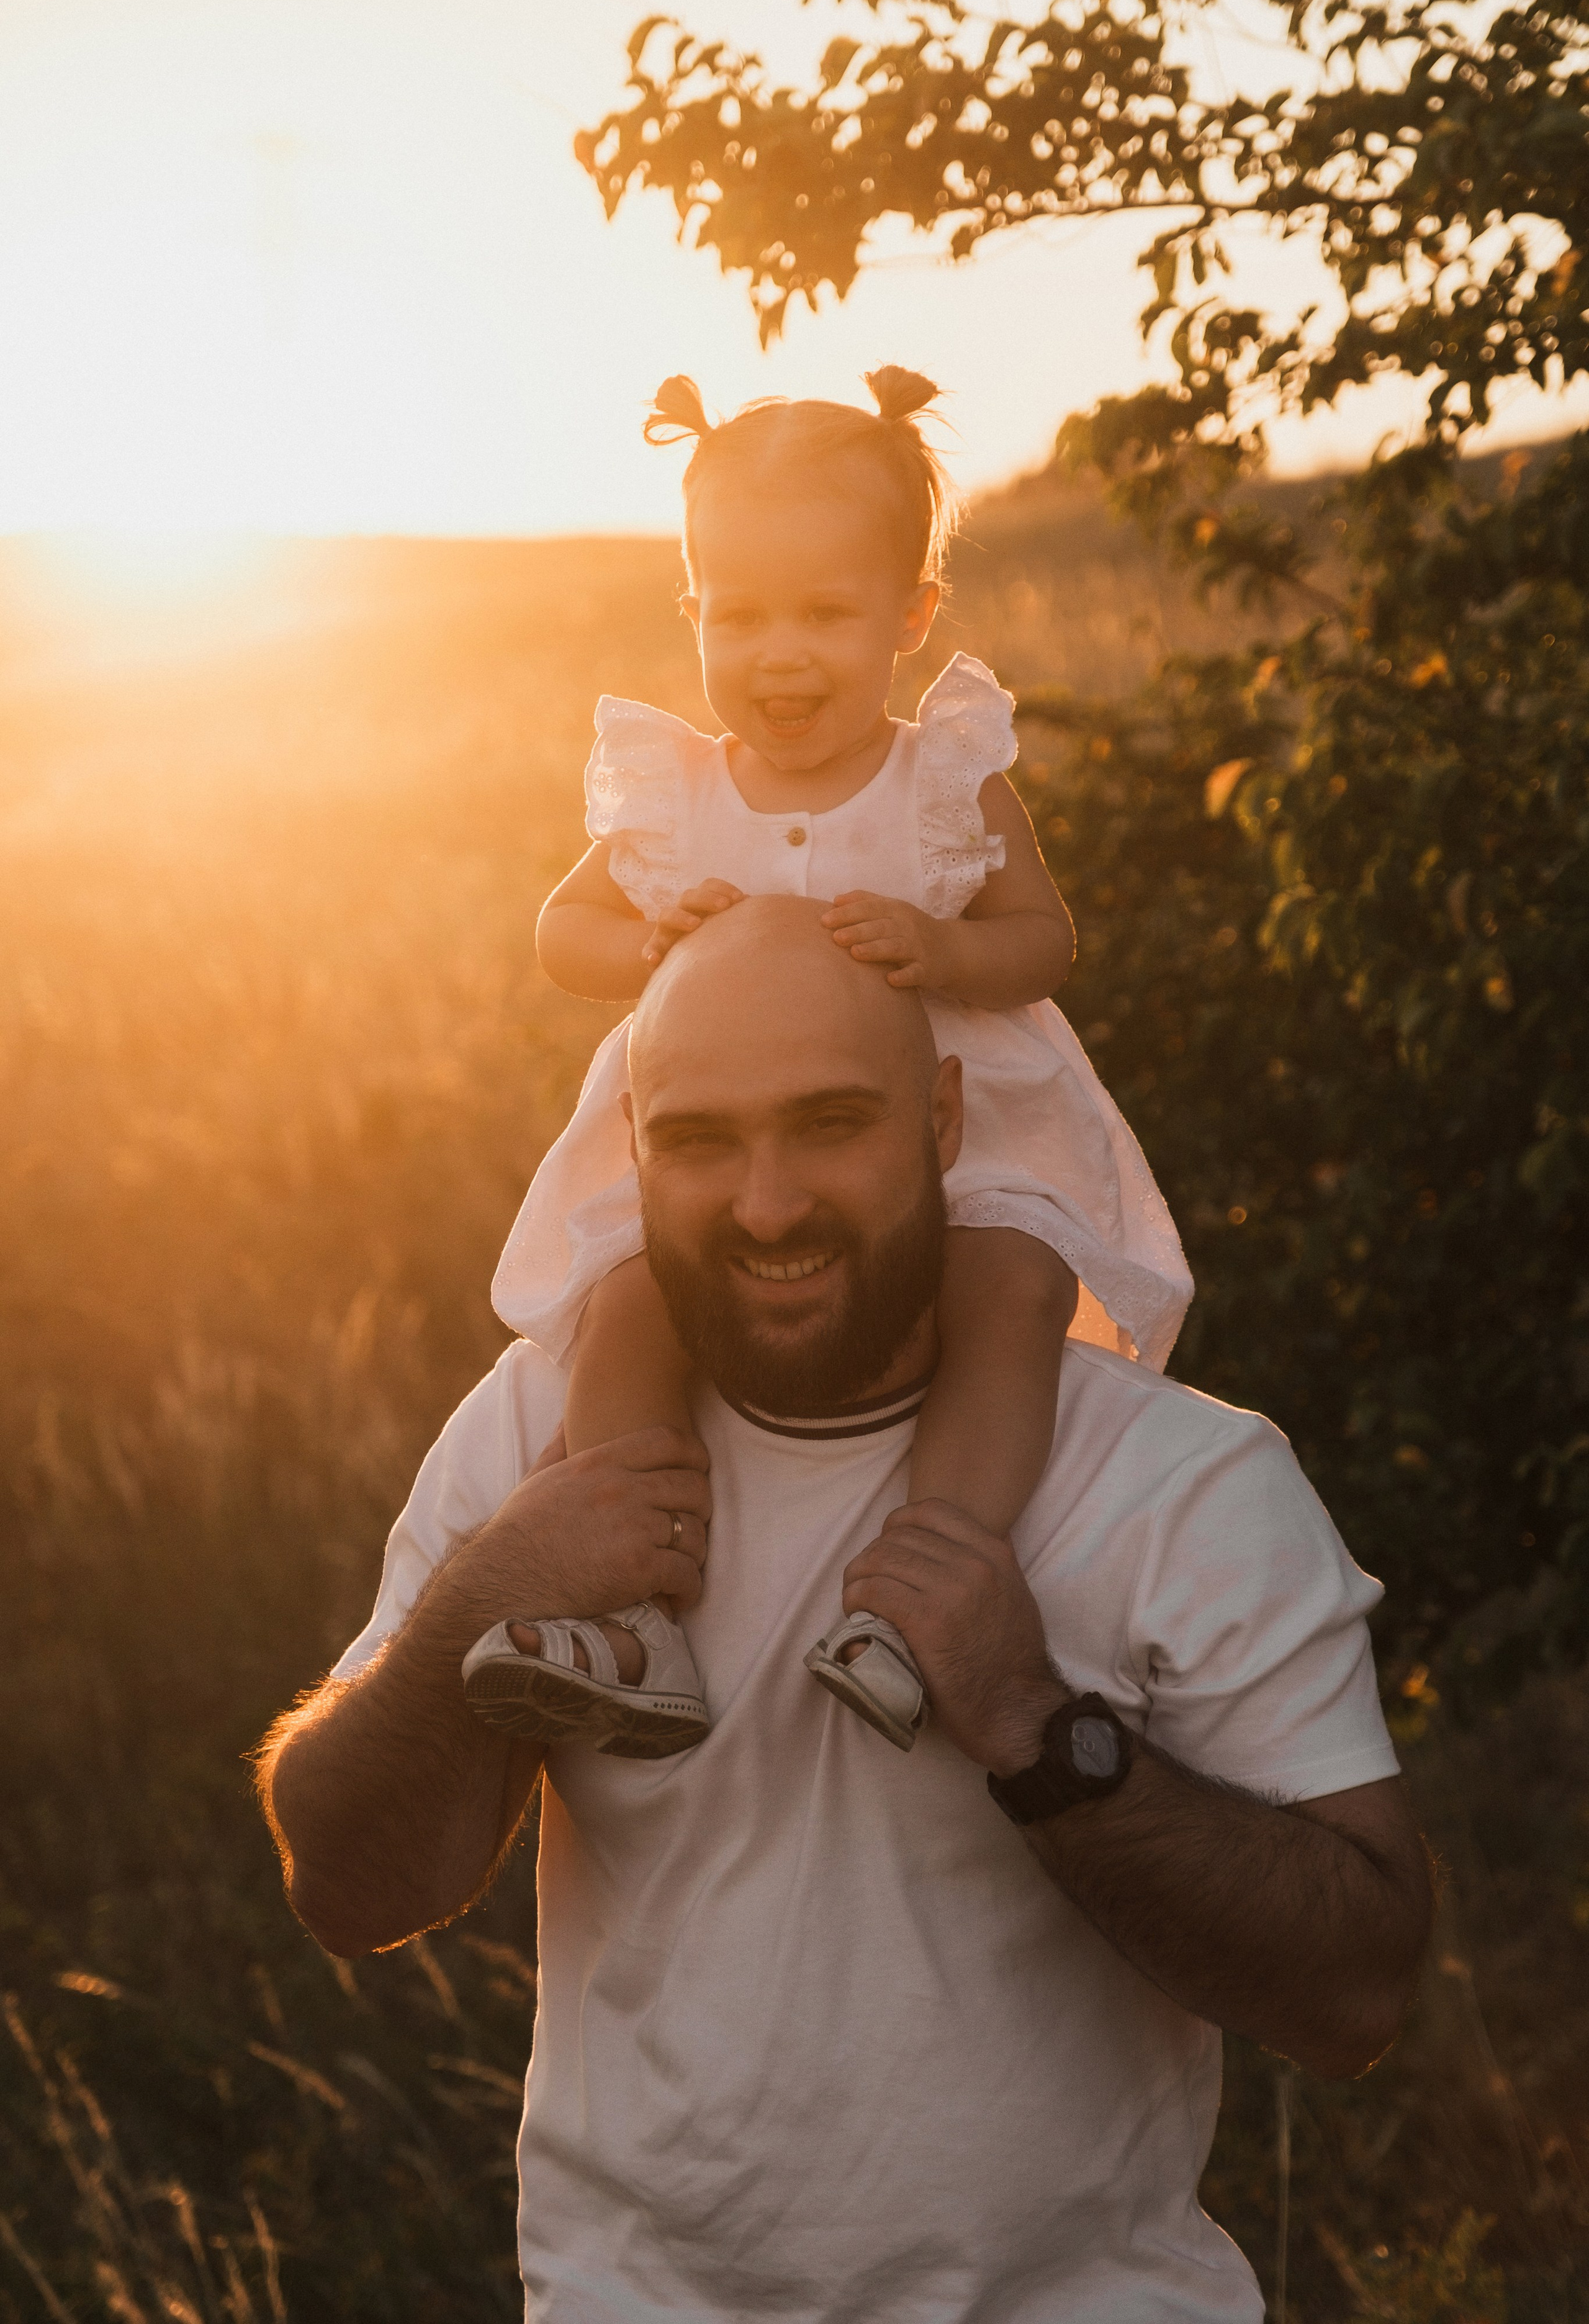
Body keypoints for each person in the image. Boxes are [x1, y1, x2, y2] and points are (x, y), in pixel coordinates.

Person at [258, 897, 1434, 2324]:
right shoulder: (535, 1434)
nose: (764, 1204)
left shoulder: (1179, 1480)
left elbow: (1355, 1995)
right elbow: (351, 1888)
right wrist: (487, 1603)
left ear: (942, 1121)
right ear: (627, 1147)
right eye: (697, 1139)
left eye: (828, 1122)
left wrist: (1030, 1725)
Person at [484, 365, 1193, 1755]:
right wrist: (647, 945)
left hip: (967, 1122)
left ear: (909, 616)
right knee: (628, 1302)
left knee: (1007, 1285)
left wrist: (942, 953)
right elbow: (559, 931)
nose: (781, 654)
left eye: (825, 612)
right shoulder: (675, 792)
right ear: (691, 613)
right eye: (739, 615)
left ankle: (918, 1595)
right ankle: (638, 1618)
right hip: (721, 1137)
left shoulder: (940, 777)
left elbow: (1042, 942)